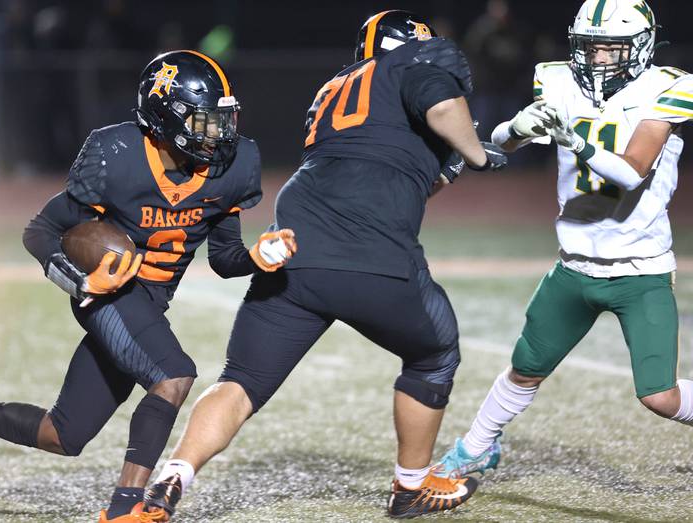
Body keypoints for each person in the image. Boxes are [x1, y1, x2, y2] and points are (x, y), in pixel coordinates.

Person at [141, 10, 508, 520]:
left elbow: (389, 171)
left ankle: (172, 476)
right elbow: (443, 105)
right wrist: (476, 155)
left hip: (296, 244)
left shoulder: (337, 87)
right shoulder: (408, 67)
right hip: (368, 251)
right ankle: (411, 487)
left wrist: (444, 165)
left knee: (241, 380)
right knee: (435, 352)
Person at [0, 50, 296, 522]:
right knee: (173, 375)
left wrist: (258, 256)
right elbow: (40, 230)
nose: (219, 134)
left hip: (148, 305)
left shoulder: (233, 167)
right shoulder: (117, 154)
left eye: (222, 120)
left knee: (62, 435)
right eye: (204, 122)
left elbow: (226, 259)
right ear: (165, 118)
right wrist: (78, 279)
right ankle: (124, 510)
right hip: (105, 295)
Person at [438, 0, 693, 479]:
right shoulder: (556, 78)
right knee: (525, 368)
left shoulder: (670, 87)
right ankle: (476, 447)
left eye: (611, 49)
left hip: (639, 269)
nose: (597, 57)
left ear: (640, 47)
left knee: (661, 396)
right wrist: (516, 129)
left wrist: (574, 139)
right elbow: (502, 139)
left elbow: (632, 171)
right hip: (573, 265)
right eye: (590, 46)